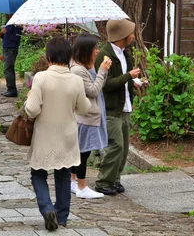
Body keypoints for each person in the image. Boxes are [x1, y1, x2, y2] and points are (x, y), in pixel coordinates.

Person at [24, 36, 90, 231]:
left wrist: (29, 99)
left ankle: (47, 209)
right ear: (69, 56)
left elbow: (33, 110)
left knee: (38, 174)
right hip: (67, 136)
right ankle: (61, 216)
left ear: (49, 57)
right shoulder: (77, 80)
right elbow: (84, 108)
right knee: (62, 176)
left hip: (45, 135)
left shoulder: (41, 78)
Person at [94, 19, 140, 195]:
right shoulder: (104, 56)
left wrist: (134, 81)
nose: (133, 36)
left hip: (125, 107)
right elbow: (106, 84)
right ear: (124, 36)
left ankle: (115, 180)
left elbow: (122, 79)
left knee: (124, 147)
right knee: (116, 146)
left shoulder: (123, 53)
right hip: (111, 109)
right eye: (131, 32)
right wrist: (128, 76)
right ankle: (104, 181)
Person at [70, 34, 112, 199]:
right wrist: (102, 70)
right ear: (86, 50)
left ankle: (73, 181)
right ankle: (82, 186)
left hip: (87, 115)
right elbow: (93, 90)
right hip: (85, 116)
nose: (97, 51)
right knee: (83, 152)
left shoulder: (84, 66)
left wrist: (99, 70)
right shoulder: (78, 70)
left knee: (80, 150)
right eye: (94, 48)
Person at [0, 15, 22, 97]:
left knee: (7, 69)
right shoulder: (7, 23)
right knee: (9, 69)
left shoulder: (17, 24)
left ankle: (12, 90)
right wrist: (2, 34)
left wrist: (7, 33)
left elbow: (16, 38)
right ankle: (10, 89)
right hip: (6, 48)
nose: (6, 14)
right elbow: (4, 36)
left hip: (11, 49)